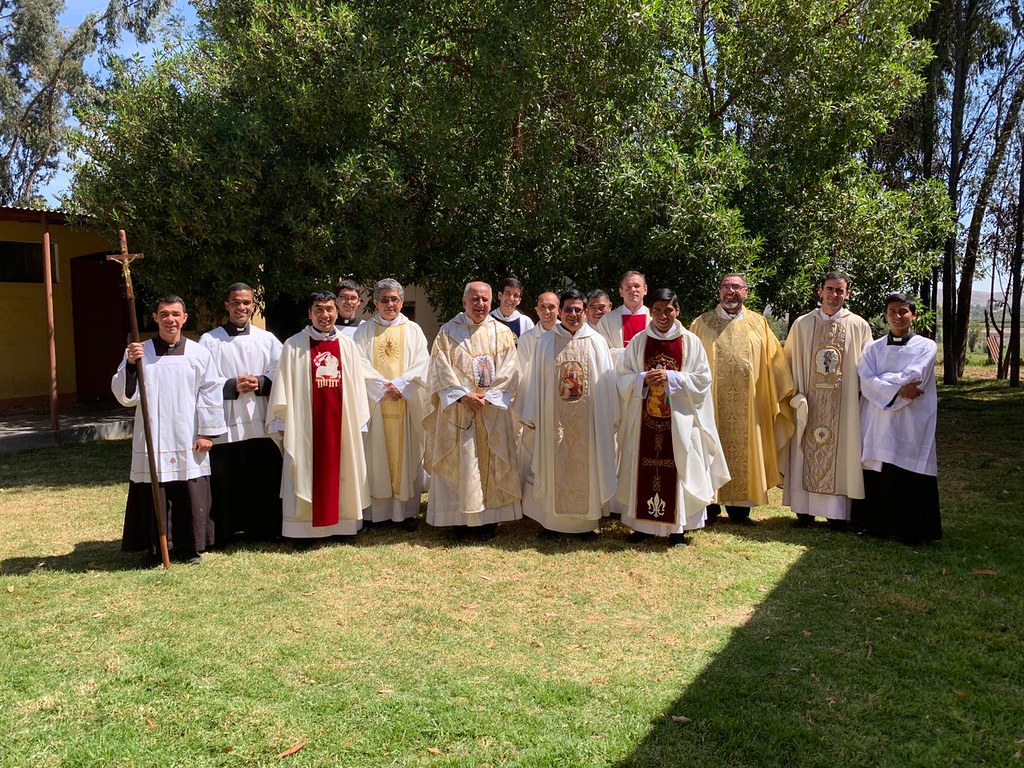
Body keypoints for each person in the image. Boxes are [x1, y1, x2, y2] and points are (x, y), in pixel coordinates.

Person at [113, 295, 225, 564]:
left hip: (188, 433)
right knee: (156, 487)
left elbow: (211, 393)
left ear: (185, 318)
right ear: (155, 318)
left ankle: (189, 546)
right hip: (153, 433)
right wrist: (130, 365)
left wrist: (207, 433)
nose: (170, 319)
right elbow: (126, 396)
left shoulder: (199, 353)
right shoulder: (140, 352)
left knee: (189, 487)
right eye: (164, 314)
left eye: (176, 314)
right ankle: (157, 547)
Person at [614, 288, 729, 546]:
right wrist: (642, 379)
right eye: (657, 310)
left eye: (668, 310)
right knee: (643, 466)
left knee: (680, 468)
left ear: (677, 311)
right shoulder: (639, 341)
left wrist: (673, 378)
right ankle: (643, 526)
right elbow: (621, 376)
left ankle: (678, 529)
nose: (663, 315)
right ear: (650, 311)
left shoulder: (690, 342)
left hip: (679, 422)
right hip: (645, 420)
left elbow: (702, 380)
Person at [689, 273, 795, 525]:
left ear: (746, 292)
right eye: (726, 286)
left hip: (750, 407)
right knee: (708, 447)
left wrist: (787, 391)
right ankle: (709, 505)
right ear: (719, 292)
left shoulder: (758, 324)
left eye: (736, 287)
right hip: (710, 406)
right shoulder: (701, 324)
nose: (730, 291)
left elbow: (775, 364)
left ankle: (740, 509)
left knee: (745, 449)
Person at [422, 281, 522, 540]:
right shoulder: (448, 332)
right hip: (459, 411)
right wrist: (462, 395)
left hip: (491, 411)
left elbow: (511, 369)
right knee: (463, 461)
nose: (480, 304)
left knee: (487, 462)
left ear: (491, 301)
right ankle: (459, 520)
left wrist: (488, 397)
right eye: (475, 299)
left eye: (485, 300)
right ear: (464, 302)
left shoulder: (502, 333)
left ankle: (489, 521)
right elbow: (439, 368)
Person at [268, 291, 370, 541]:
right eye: (319, 309)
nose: (325, 315)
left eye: (329, 309)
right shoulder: (293, 345)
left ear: (337, 311)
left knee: (344, 467)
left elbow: (357, 385)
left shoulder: (347, 345)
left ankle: (343, 526)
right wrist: (282, 421)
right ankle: (302, 530)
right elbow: (284, 384)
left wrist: (358, 420)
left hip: (341, 423)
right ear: (310, 313)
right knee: (303, 466)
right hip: (305, 425)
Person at [519, 289, 618, 536]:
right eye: (568, 310)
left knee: (587, 467)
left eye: (578, 310)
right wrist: (532, 417)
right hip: (554, 423)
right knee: (554, 465)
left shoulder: (596, 342)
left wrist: (607, 420)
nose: (573, 315)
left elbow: (605, 388)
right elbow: (535, 384)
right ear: (560, 312)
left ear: (585, 312)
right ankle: (552, 524)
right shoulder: (545, 342)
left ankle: (585, 525)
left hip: (589, 425)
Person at [783, 271, 872, 528]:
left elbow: (867, 367)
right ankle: (804, 509)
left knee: (842, 453)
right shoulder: (802, 324)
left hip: (843, 407)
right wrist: (794, 395)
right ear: (820, 291)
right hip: (808, 402)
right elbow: (786, 364)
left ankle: (836, 514)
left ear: (848, 294)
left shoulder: (858, 326)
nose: (834, 295)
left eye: (840, 290)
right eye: (830, 289)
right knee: (804, 449)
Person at [852, 294, 941, 545]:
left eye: (903, 311)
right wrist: (898, 389)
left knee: (908, 472)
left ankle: (913, 530)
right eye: (892, 311)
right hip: (878, 420)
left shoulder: (926, 346)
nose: (897, 316)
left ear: (913, 315)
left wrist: (887, 384)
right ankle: (875, 525)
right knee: (879, 472)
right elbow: (865, 379)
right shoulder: (873, 348)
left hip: (912, 418)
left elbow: (915, 377)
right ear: (885, 315)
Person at [199, 282, 284, 544]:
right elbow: (204, 381)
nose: (241, 307)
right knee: (226, 481)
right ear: (227, 305)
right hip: (226, 423)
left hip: (259, 423)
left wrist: (260, 382)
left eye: (246, 303)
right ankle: (224, 531)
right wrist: (231, 384)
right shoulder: (210, 340)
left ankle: (263, 529)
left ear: (253, 306)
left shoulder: (267, 339)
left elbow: (281, 373)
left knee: (261, 478)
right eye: (236, 302)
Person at [352, 279, 431, 526]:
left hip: (405, 405)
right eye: (384, 299)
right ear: (375, 302)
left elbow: (422, 363)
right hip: (376, 405)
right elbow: (358, 364)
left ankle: (405, 513)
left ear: (401, 302)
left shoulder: (414, 330)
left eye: (394, 299)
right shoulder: (363, 331)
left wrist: (402, 385)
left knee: (405, 456)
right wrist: (383, 388)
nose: (389, 304)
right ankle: (377, 513)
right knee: (375, 457)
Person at [597, 271, 650, 359]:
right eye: (628, 287)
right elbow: (601, 352)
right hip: (619, 371)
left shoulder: (654, 318)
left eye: (636, 286)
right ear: (621, 292)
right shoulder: (607, 320)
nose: (633, 290)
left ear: (645, 290)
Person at [517, 290, 560, 370]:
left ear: (559, 310)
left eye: (551, 307)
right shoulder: (526, 339)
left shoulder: (567, 335)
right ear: (537, 311)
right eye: (542, 307)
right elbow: (522, 372)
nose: (546, 311)